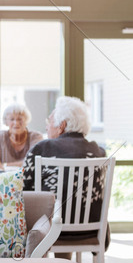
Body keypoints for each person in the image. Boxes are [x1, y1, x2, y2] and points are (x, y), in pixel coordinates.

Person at [22, 96, 109, 254]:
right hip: (90, 229)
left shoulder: (41, 149)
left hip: (50, 229)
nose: (47, 127)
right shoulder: (98, 151)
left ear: (61, 125)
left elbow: (24, 188)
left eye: (49, 121)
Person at [0, 103, 43, 173]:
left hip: (28, 178)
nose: (16, 123)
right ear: (6, 121)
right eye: (12, 119)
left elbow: (33, 162)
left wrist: (5, 165)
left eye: (20, 119)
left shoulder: (36, 137)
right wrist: (1, 176)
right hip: (5, 179)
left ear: (26, 121)